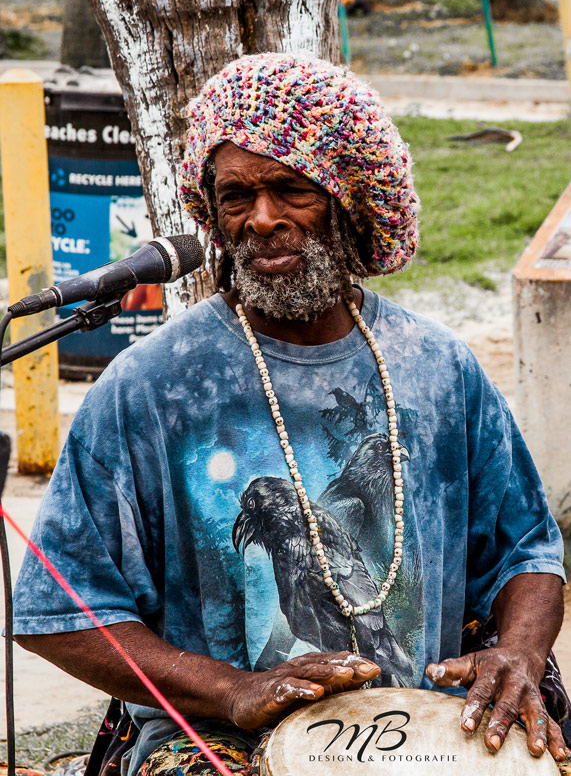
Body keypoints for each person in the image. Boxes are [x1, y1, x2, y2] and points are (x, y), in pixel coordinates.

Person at [13, 53, 568, 776]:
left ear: (347, 198)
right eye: (236, 196)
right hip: (218, 738)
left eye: (289, 189)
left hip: (421, 732)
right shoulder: (149, 386)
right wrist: (231, 689)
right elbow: (59, 611)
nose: (262, 218)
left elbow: (528, 552)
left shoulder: (437, 368)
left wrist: (519, 653)